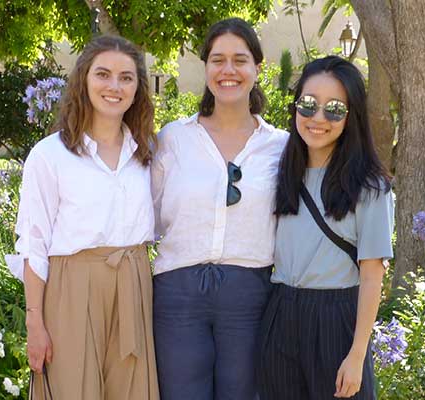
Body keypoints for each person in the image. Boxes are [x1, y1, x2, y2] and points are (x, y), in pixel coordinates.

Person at [5, 35, 159, 400]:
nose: (114, 86)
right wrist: (34, 322)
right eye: (103, 74)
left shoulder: (148, 153)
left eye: (126, 78)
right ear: (84, 81)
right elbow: (34, 242)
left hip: (133, 284)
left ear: (137, 88)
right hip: (72, 289)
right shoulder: (50, 155)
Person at [150, 17, 289, 400]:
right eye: (218, 60)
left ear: (258, 69)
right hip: (177, 295)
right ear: (206, 67)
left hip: (250, 296)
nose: (228, 70)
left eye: (240, 60)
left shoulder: (282, 147)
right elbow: (145, 214)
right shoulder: (173, 139)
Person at [257, 55, 394, 400]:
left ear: (352, 117)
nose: (318, 118)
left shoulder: (370, 186)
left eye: (334, 109)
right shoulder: (281, 174)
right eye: (308, 105)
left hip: (336, 317)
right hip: (282, 311)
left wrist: (357, 354)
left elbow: (372, 274)